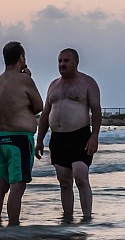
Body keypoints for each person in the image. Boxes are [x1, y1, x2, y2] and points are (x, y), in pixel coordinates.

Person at [43, 47, 102, 224]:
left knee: (81, 176)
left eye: (66, 61)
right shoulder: (53, 85)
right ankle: (67, 220)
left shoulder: (87, 83)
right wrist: (39, 140)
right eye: (60, 61)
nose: (62, 64)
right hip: (58, 138)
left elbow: (96, 111)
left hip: (80, 136)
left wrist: (94, 136)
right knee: (64, 182)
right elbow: (46, 113)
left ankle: (86, 219)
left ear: (76, 62)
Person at [0, 40, 44, 227]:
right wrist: (29, 78)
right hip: (19, 140)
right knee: (17, 186)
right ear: (21, 57)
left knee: (0, 186)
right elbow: (39, 106)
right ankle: (13, 227)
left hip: (1, 139)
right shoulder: (24, 80)